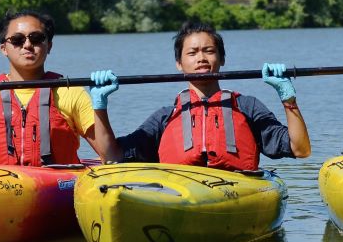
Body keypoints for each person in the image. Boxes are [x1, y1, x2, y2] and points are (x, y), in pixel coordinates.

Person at [96, 21, 311, 170]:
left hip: (236, 190)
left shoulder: (247, 107)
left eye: (209, 51)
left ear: (222, 58)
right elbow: (111, 156)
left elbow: (300, 149)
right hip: (181, 192)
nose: (201, 58)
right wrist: (100, 106)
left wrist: (287, 98)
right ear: (179, 64)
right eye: (192, 52)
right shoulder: (166, 116)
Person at [0, 9, 120, 165]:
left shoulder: (70, 92)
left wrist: (99, 106)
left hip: (56, 187)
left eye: (36, 38)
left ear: (49, 45)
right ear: (4, 49)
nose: (27, 45)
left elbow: (111, 157)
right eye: (17, 40)